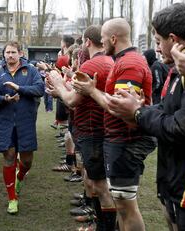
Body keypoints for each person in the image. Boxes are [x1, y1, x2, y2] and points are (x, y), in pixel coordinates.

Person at [103, 4, 185, 231]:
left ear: (173, 39)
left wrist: (137, 112)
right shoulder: (180, 70)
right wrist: (142, 111)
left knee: (126, 206)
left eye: (157, 41)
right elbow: (163, 110)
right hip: (175, 183)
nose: (156, 49)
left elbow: (180, 128)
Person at [72, 18, 156, 231]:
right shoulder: (124, 60)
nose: (101, 43)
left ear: (113, 38)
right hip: (120, 140)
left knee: (126, 206)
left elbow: (120, 108)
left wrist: (91, 91)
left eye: (103, 39)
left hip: (126, 141)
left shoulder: (130, 63)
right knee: (122, 203)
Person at [46, 25, 116, 230]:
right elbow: (81, 96)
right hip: (98, 129)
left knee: (100, 186)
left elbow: (72, 101)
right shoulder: (108, 61)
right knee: (96, 182)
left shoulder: (92, 65)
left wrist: (58, 85)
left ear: (87, 42)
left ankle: (105, 226)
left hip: (93, 131)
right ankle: (98, 222)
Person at [0, 41, 44, 214]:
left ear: (20, 53)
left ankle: (20, 176)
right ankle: (12, 198)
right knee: (9, 156)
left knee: (27, 161)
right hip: (5, 122)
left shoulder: (31, 70)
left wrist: (19, 88)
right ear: (3, 55)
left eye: (13, 52)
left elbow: (40, 89)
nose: (10, 55)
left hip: (25, 121)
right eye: (7, 52)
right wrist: (5, 98)